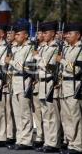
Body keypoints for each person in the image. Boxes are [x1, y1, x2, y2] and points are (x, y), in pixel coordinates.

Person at [33, 21, 61, 153]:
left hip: (50, 83)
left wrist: (39, 59)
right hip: (42, 84)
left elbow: (51, 67)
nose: (43, 35)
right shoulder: (43, 48)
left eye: (45, 32)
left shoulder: (56, 48)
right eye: (42, 32)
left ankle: (54, 143)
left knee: (52, 115)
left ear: (53, 34)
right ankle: (47, 141)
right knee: (45, 115)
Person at [5, 24, 34, 150]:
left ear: (26, 35)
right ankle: (20, 139)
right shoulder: (15, 48)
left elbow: (27, 67)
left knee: (25, 113)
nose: (15, 36)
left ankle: (26, 141)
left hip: (24, 83)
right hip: (14, 84)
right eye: (15, 34)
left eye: (18, 34)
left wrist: (10, 62)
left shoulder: (30, 48)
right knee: (17, 114)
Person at [56, 23, 82, 154]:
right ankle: (71, 143)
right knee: (66, 117)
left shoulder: (80, 49)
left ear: (78, 35)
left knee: (75, 117)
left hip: (74, 87)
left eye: (69, 34)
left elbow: (77, 70)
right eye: (66, 34)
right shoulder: (66, 48)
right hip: (64, 87)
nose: (66, 36)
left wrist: (62, 61)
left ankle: (78, 145)